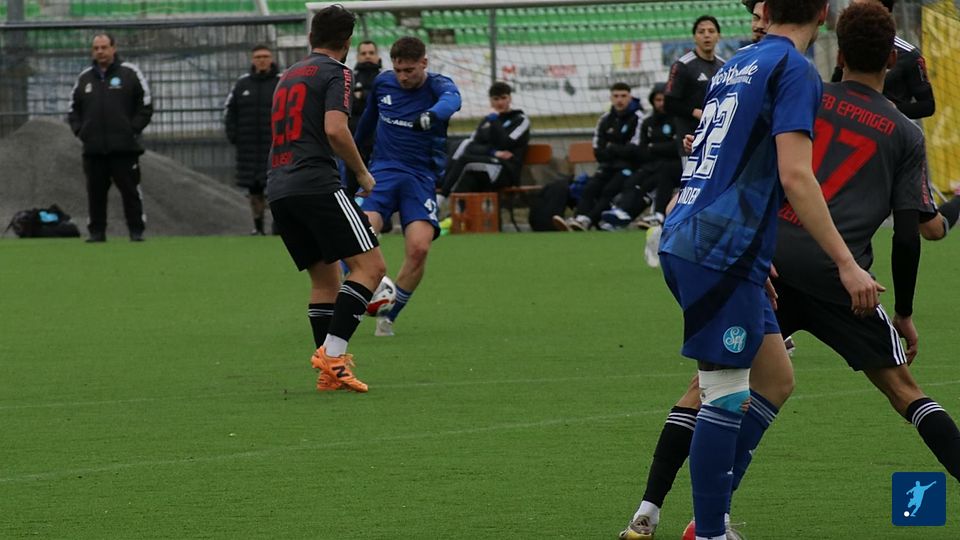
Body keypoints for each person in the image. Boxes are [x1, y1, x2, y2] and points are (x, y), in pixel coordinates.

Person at [619, 4, 960, 539]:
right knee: (897, 389)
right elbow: (907, 229)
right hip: (808, 266)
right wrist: (887, 297)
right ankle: (709, 528)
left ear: (839, 52)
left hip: (764, 255)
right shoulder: (866, 112)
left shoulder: (760, 72)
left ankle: (651, 509)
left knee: (756, 381)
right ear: (891, 61)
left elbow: (735, 148)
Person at [266, 5, 386, 393]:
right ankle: (333, 355)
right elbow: (335, 129)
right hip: (316, 183)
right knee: (371, 267)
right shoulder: (338, 72)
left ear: (310, 37)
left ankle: (328, 373)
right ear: (347, 42)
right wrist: (362, 173)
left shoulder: (288, 75)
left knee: (325, 279)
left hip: (280, 188)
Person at [354, 36, 462, 337]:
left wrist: (432, 115)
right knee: (358, 234)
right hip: (382, 172)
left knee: (419, 248)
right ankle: (364, 293)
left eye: (410, 70)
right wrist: (352, 156)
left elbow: (453, 101)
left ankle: (388, 316)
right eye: (398, 70)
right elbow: (367, 123)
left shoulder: (438, 85)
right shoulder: (383, 83)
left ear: (424, 63)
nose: (403, 77)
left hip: (420, 177)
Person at [68, 33, 153, 243]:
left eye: (104, 47)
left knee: (130, 191)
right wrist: (81, 132)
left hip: (124, 148)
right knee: (95, 192)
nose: (100, 52)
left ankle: (136, 231)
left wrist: (132, 129)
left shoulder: (130, 73)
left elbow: (146, 105)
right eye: (96, 48)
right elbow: (73, 109)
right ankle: (97, 232)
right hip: (94, 149)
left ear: (114, 48)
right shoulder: (84, 78)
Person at [553, 82, 644, 231]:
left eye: (623, 96)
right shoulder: (605, 119)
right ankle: (580, 218)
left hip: (628, 167)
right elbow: (598, 150)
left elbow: (634, 150)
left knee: (609, 189)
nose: (619, 100)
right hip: (608, 164)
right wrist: (617, 149)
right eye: (616, 96)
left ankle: (588, 220)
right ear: (611, 98)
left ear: (630, 97)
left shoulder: (638, 118)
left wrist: (612, 148)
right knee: (590, 187)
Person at [830, 0, 934, 120]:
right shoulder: (850, 44)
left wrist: (891, 110)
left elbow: (928, 105)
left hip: (890, 126)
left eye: (861, 7)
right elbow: (835, 84)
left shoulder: (909, 54)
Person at [600, 83, 681, 231]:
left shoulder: (678, 120)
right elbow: (642, 150)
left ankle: (658, 214)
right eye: (658, 100)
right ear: (652, 101)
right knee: (635, 181)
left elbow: (676, 147)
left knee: (660, 176)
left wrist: (654, 147)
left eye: (664, 100)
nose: (661, 103)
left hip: (675, 166)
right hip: (653, 165)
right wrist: (657, 149)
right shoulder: (648, 122)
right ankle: (622, 214)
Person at [224, 44, 280, 236]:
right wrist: (234, 136)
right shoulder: (242, 84)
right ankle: (258, 227)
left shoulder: (281, 82)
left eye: (265, 56)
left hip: (275, 147)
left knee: (276, 188)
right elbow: (229, 112)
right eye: (258, 57)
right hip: (248, 148)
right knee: (254, 189)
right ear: (252, 60)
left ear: (271, 59)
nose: (262, 60)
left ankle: (279, 226)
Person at [438, 81, 530, 197]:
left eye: (503, 98)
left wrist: (495, 121)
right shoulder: (487, 121)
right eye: (496, 99)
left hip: (506, 169)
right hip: (484, 165)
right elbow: (471, 146)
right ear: (491, 101)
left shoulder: (520, 120)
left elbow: (506, 144)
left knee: (465, 160)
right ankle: (455, 207)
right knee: (467, 178)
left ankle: (442, 196)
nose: (500, 102)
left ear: (510, 98)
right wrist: (493, 152)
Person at [664, 15, 725, 158]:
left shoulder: (724, 66)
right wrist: (695, 112)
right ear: (694, 37)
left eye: (711, 31)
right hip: (690, 140)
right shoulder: (682, 65)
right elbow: (669, 103)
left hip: (716, 137)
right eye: (701, 32)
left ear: (718, 36)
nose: (706, 35)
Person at [344, 40, 383, 198]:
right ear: (358, 56)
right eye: (364, 53)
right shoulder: (349, 79)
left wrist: (363, 96)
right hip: (355, 145)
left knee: (379, 189)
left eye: (371, 53)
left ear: (377, 55)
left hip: (380, 145)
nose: (367, 56)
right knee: (352, 190)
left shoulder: (385, 79)